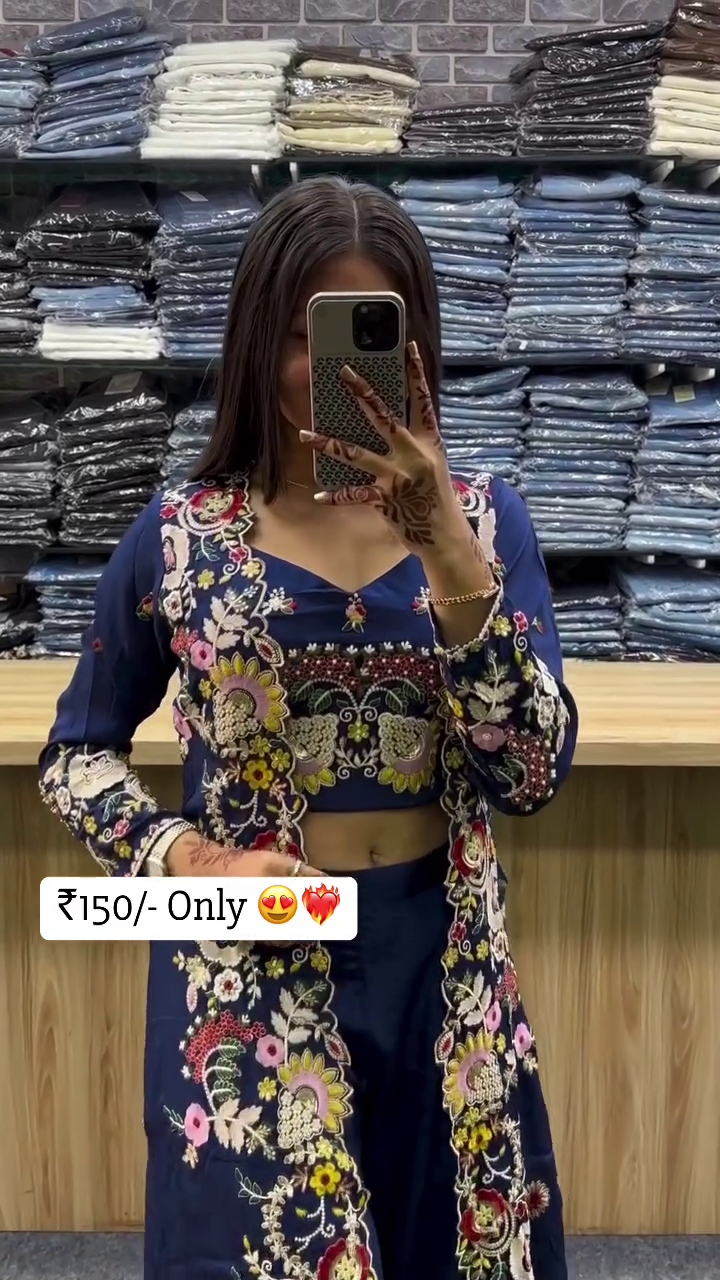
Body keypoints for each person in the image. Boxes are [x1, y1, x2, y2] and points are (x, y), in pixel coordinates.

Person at [39, 176, 578, 1280]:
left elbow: (529, 772)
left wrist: (446, 547)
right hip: (250, 964)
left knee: (455, 1244)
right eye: (303, 333)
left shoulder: (485, 524)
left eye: (371, 332)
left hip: (445, 967)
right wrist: (190, 860)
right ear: (254, 339)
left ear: (418, 348)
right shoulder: (182, 537)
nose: (333, 369)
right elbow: (76, 754)